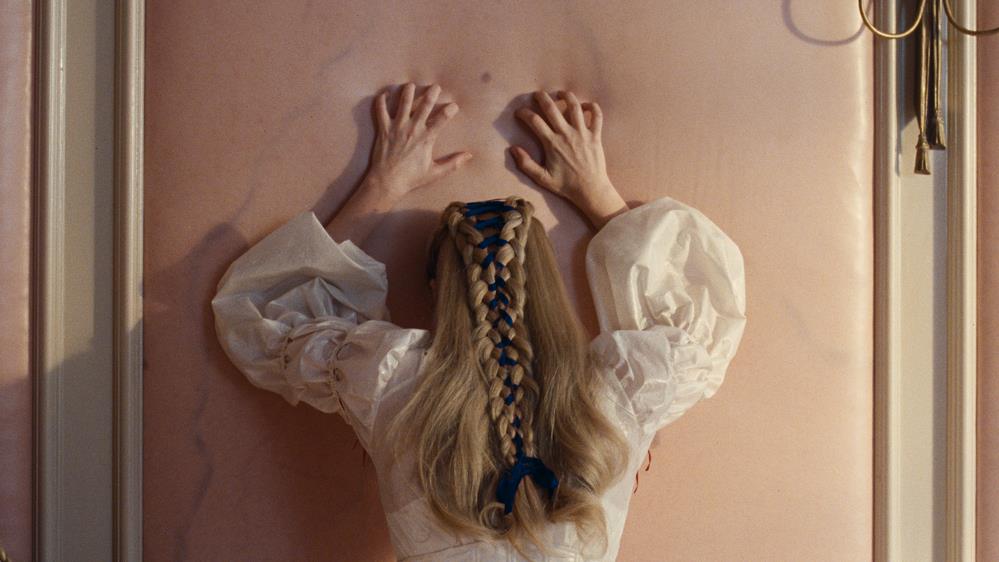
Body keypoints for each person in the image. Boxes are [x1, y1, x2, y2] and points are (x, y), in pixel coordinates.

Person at [211, 83, 747, 561]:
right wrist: (595, 190)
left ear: (435, 290)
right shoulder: (618, 390)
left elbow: (264, 312)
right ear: (550, 284)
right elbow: (701, 316)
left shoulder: (390, 379)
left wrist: (380, 186)